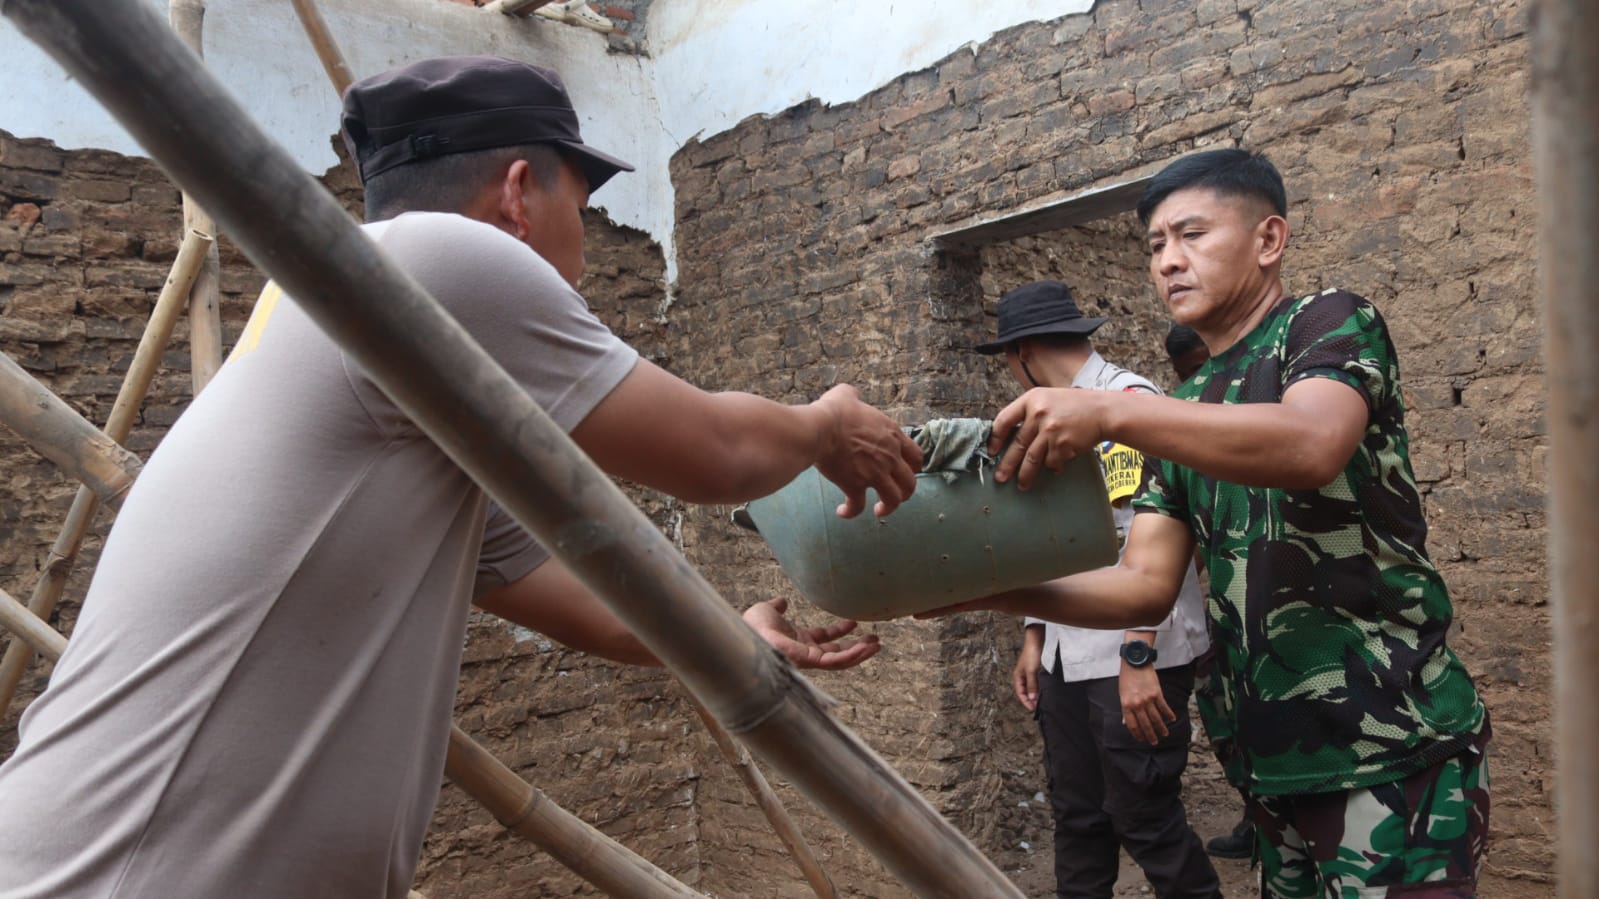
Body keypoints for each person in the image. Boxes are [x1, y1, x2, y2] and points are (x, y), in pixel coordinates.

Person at [0, 56, 923, 899]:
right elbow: (719, 455)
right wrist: (825, 424)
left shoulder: (354, 328)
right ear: (520, 193)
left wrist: (732, 635)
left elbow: (587, 600)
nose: (588, 250)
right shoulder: (439, 260)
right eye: (583, 207)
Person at [932, 149, 1489, 898]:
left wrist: (1113, 411)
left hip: (1388, 746)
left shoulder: (1325, 323)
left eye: (1190, 234)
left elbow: (1311, 443)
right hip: (1270, 764)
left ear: (1267, 240)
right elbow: (1140, 587)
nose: (1167, 261)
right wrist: (983, 590)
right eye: (1156, 244)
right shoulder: (1181, 405)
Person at [978, 282, 1221, 899]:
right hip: (1067, 651)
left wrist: (1137, 652)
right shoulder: (1049, 418)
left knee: (1145, 817)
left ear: (1021, 353)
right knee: (1079, 819)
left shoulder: (1129, 402)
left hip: (1136, 651)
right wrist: (1036, 637)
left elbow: (1166, 530)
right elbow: (1049, 542)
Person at [1162, 323, 1253, 862]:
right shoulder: (1185, 432)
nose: (1194, 386)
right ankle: (1255, 814)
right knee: (1221, 713)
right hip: (1219, 610)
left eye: (1199, 370)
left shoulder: (1255, 416)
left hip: (1261, 606)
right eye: (1183, 378)